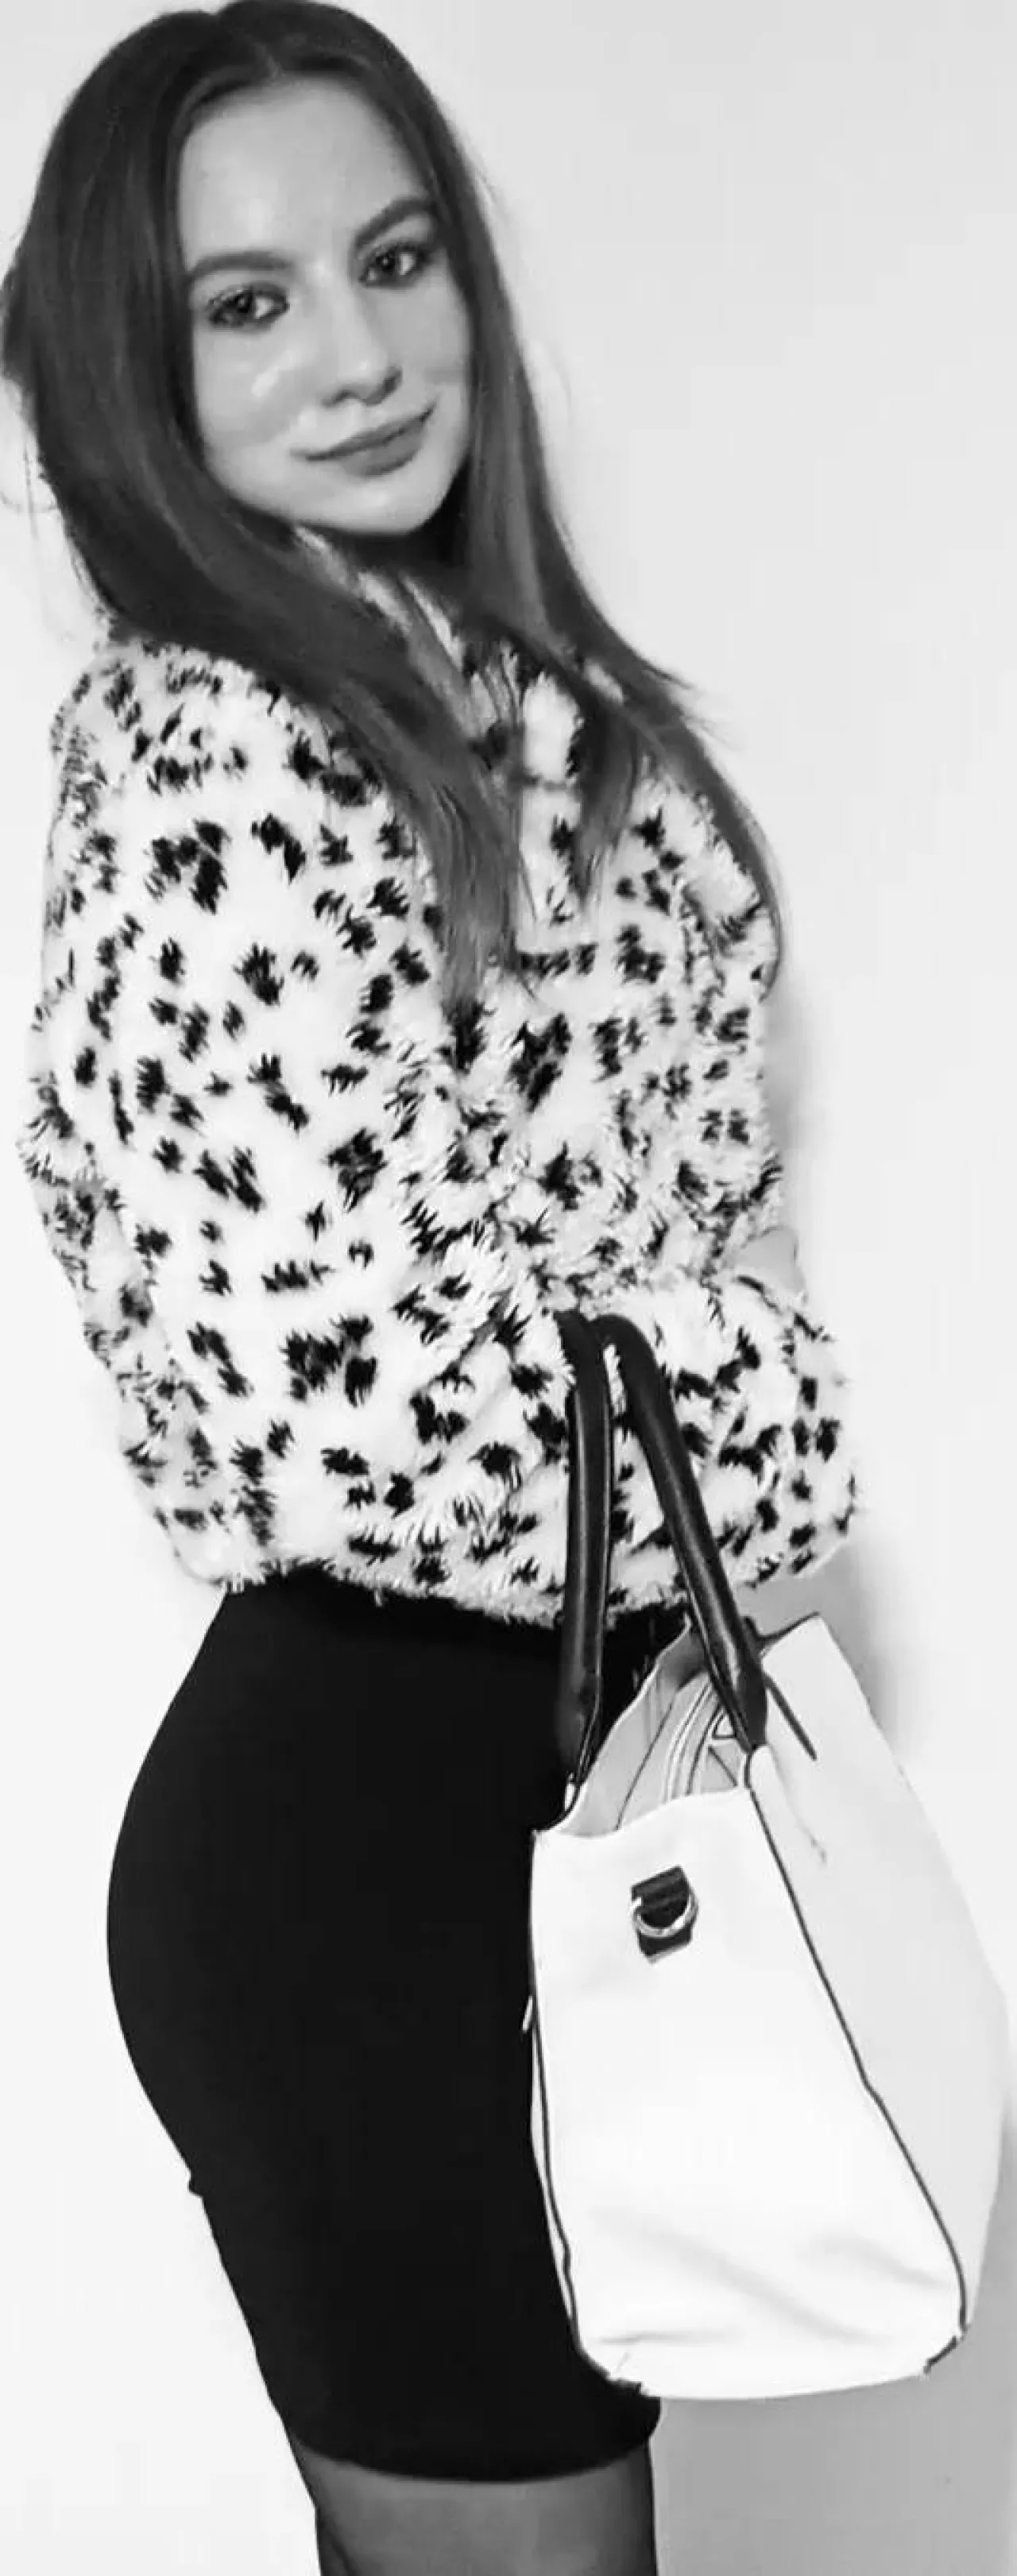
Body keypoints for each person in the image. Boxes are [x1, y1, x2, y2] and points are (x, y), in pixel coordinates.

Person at [6, 8, 860, 2571]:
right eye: (247, 304)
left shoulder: (562, 736)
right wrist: (768, 1428)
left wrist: (681, 1374)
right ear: (132, 372)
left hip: (589, 1809)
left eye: (393, 262)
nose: (361, 354)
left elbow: (696, 1244)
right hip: (361, 1853)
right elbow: (347, 1403)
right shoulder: (217, 751)